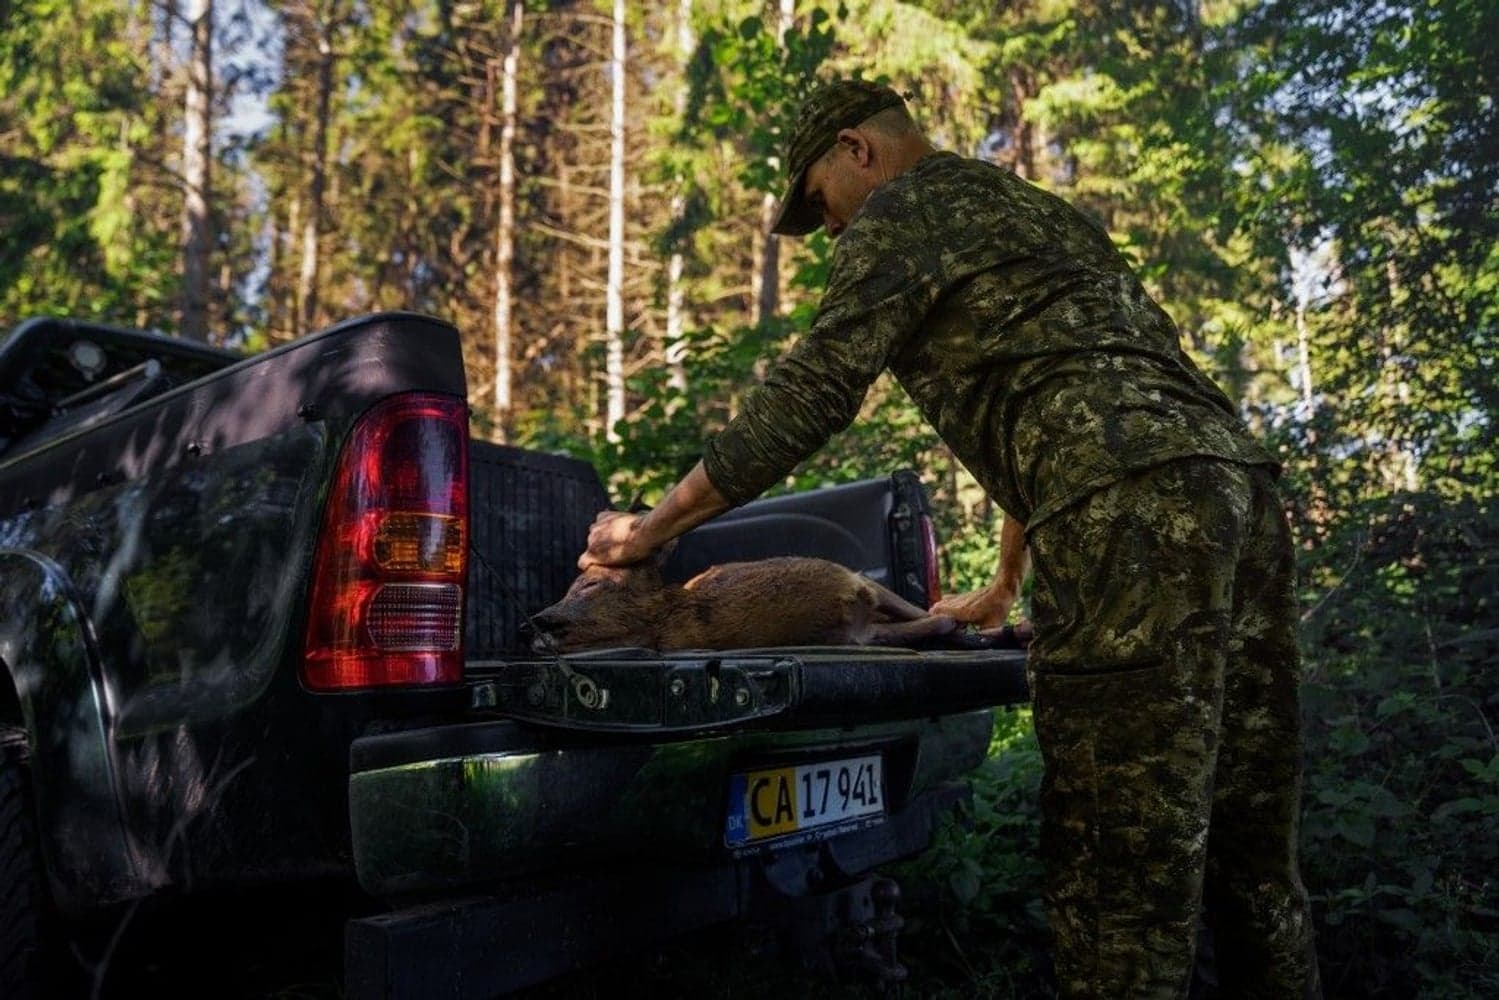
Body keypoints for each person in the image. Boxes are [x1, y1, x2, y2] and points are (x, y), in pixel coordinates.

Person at [579, 79, 1320, 998]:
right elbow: (1073, 397)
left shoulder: (901, 211)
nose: (836, 231)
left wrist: (642, 534)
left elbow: (810, 395)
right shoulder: (1032, 213)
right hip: (1238, 492)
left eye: (820, 203)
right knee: (1254, 855)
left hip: (1129, 515)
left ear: (859, 151)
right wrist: (1004, 583)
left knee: (1119, 872)